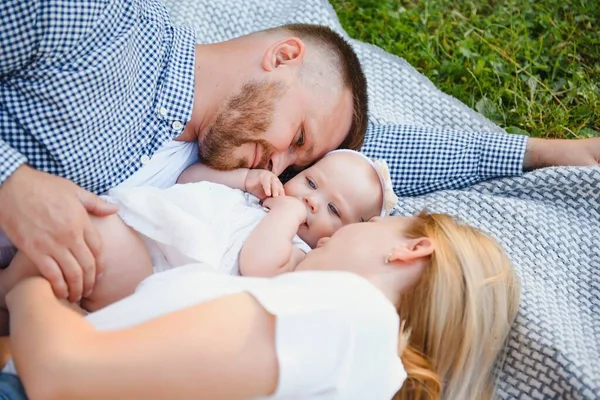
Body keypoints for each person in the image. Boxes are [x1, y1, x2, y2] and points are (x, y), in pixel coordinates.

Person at [0, 0, 597, 304]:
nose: (280, 169)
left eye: (300, 168)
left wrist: (542, 152)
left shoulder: (242, 167)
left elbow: (397, 157)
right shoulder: (96, 25)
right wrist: (11, 184)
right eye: (300, 141)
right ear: (284, 57)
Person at [0, 213, 520, 399]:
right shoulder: (356, 360)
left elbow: (63, 374)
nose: (325, 238)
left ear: (412, 248)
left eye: (364, 223)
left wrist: (30, 285)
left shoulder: (353, 314)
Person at [0, 150, 397, 316]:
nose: (312, 202)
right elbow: (189, 178)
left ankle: (8, 302)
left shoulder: (298, 254)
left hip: (149, 282)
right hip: (145, 235)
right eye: (311, 184)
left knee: (90, 240)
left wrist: (287, 214)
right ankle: (9, 299)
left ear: (339, 235)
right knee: (71, 244)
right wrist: (243, 179)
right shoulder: (260, 197)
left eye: (332, 209)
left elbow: (257, 264)